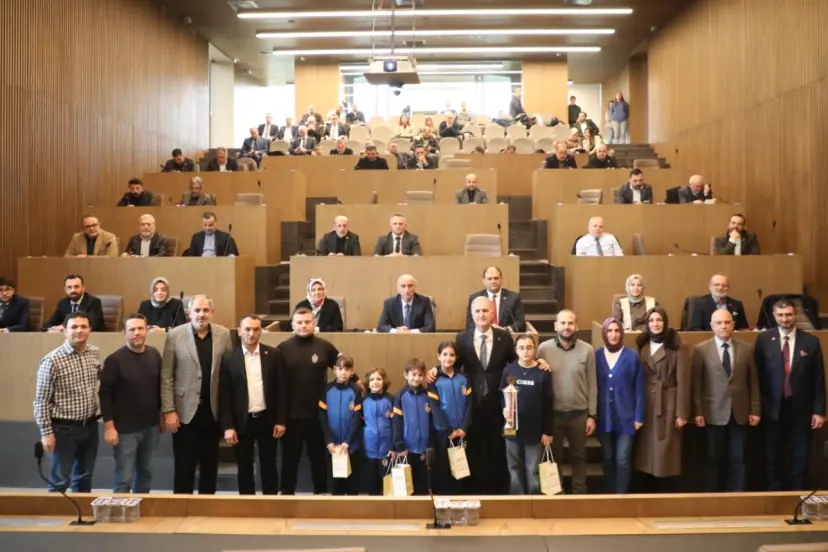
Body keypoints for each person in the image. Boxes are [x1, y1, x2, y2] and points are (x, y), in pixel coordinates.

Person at [443, 296, 519, 494]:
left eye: (485, 310)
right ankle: (472, 490)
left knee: (497, 448)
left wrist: (538, 363)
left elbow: (515, 364)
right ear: (472, 314)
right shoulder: (462, 339)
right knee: (473, 448)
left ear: (492, 312)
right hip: (472, 403)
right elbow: (453, 365)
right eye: (477, 311)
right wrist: (436, 370)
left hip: (497, 403)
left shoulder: (504, 337)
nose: (481, 314)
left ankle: (498, 492)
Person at [161, 295, 234, 494]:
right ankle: (181, 507)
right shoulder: (175, 335)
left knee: (210, 467)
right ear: (189, 313)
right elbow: (166, 374)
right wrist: (169, 410)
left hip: (212, 411)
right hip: (184, 413)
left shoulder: (223, 334)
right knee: (184, 467)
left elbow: (228, 373)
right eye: (197, 310)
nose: (201, 314)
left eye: (205, 310)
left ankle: (206, 506)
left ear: (212, 312)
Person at [754, 299, 825, 491]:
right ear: (774, 316)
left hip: (801, 410)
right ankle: (772, 499)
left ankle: (798, 496)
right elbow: (757, 376)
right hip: (772, 409)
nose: (785, 319)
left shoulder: (810, 341)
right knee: (772, 458)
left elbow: (818, 379)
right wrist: (757, 408)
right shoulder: (763, 340)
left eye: (788, 315)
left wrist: (819, 411)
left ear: (795, 315)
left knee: (800, 458)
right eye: (780, 315)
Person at [691, 309, 760, 492]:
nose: (723, 326)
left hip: (740, 412)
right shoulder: (700, 349)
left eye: (727, 322)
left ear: (733, 324)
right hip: (712, 412)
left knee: (739, 458)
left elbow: (753, 382)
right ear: (712, 326)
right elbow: (697, 383)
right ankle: (711, 497)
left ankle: (737, 496)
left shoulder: (747, 348)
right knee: (712, 458)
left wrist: (755, 410)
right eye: (719, 323)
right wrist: (697, 411)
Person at [277, 307, 344, 495]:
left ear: (314, 324)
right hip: (291, 416)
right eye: (299, 322)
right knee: (289, 460)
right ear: (292, 325)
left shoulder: (325, 346)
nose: (303, 325)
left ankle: (320, 495)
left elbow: (343, 367)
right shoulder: (282, 349)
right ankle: (286, 495)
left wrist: (358, 383)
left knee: (318, 460)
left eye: (307, 322)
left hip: (318, 415)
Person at [34, 312, 102, 492]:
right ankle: (58, 511)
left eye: (83, 327)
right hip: (63, 430)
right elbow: (41, 401)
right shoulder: (52, 360)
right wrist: (46, 433)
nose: (79, 330)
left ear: (90, 330)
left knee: (85, 476)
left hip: (90, 427)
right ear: (65, 331)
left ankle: (81, 509)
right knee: (60, 480)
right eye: (74, 327)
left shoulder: (94, 353)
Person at [219, 315, 286, 495]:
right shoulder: (229, 358)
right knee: (244, 466)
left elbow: (281, 390)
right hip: (242, 421)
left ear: (261, 331)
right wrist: (228, 426)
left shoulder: (273, 355)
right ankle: (247, 503)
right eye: (247, 329)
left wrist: (281, 420)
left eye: (256, 329)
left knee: (269, 465)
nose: (251, 333)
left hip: (267, 419)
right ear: (239, 331)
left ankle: (270, 502)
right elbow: (225, 395)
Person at [100, 313, 163, 493]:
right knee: (124, 478)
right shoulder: (114, 360)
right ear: (124, 333)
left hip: (151, 427)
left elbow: (159, 387)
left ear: (146, 330)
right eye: (132, 329)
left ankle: (141, 508)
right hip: (125, 430)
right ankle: (121, 509)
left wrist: (161, 414)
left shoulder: (154, 355)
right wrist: (109, 427)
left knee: (146, 473)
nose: (137, 333)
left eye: (140, 328)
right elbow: (105, 395)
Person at [537, 310, 596, 494]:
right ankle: (556, 495)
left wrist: (592, 415)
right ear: (555, 326)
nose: (566, 327)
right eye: (562, 323)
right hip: (553, 415)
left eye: (570, 323)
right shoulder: (543, 349)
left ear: (576, 326)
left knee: (579, 456)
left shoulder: (587, 350)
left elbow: (592, 384)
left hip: (579, 414)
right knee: (553, 457)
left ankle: (579, 494)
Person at [635, 307, 689, 493]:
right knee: (646, 450)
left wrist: (682, 413)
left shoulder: (677, 345)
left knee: (665, 451)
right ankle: (648, 492)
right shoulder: (642, 344)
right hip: (647, 403)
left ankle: (666, 494)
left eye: (659, 320)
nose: (655, 324)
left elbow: (683, 381)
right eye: (651, 320)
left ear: (665, 322)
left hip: (668, 402)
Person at [595, 317, 645, 494]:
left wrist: (639, 416)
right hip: (604, 417)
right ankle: (610, 494)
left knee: (623, 458)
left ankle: (621, 496)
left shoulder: (632, 356)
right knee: (608, 457)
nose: (613, 334)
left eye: (617, 330)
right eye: (609, 331)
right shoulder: (596, 356)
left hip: (627, 417)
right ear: (604, 333)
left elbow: (639, 388)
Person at [500, 334, 554, 495]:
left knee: (533, 471)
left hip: (535, 431)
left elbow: (548, 404)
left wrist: (548, 431)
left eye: (529, 347)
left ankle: (533, 503)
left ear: (535, 349)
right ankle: (517, 504)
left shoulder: (543, 372)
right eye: (521, 348)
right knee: (514, 469)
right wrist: (504, 409)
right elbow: (502, 395)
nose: (525, 351)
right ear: (516, 350)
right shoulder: (509, 370)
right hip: (512, 430)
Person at [393, 358, 444, 495]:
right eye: (413, 374)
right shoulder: (400, 395)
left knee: (423, 487)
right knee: (407, 488)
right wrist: (399, 445)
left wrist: (430, 444)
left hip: (424, 448)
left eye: (420, 375)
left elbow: (432, 422)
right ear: (406, 375)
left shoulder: (428, 394)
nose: (417, 378)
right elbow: (397, 422)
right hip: (407, 449)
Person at [429, 340, 473, 495]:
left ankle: (459, 499)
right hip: (444, 433)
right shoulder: (434, 380)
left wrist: (464, 427)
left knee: (460, 470)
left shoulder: (464, 378)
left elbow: (469, 405)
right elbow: (435, 408)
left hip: (461, 432)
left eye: (452, 355)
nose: (448, 358)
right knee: (443, 470)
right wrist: (448, 430)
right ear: (438, 356)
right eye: (445, 354)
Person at [320, 355, 363, 495]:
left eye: (347, 369)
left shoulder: (355, 391)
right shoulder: (327, 390)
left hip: (350, 445)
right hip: (333, 447)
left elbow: (357, 419)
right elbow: (322, 417)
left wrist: (348, 442)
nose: (343, 372)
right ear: (334, 370)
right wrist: (329, 440)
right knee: (335, 487)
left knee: (351, 486)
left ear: (352, 371)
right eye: (340, 368)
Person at [361, 367, 395, 495]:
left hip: (387, 451)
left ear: (384, 381)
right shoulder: (363, 401)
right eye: (372, 379)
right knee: (372, 487)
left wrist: (394, 447)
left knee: (388, 488)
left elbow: (396, 425)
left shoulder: (391, 400)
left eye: (379, 379)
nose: (375, 382)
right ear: (368, 383)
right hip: (369, 451)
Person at [465, 265, 526, 332]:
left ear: (501, 279)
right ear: (484, 281)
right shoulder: (475, 298)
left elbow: (520, 322)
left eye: (496, 278)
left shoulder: (513, 298)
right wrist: (486, 329)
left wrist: (505, 330)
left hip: (505, 335)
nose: (493, 281)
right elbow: (470, 324)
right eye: (489, 279)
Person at [278, 278, 343, 333]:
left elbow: (338, 327)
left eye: (320, 289)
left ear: (324, 291)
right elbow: (290, 326)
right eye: (313, 290)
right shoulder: (302, 305)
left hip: (325, 338)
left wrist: (318, 329)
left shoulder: (332, 305)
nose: (317, 292)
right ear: (309, 292)